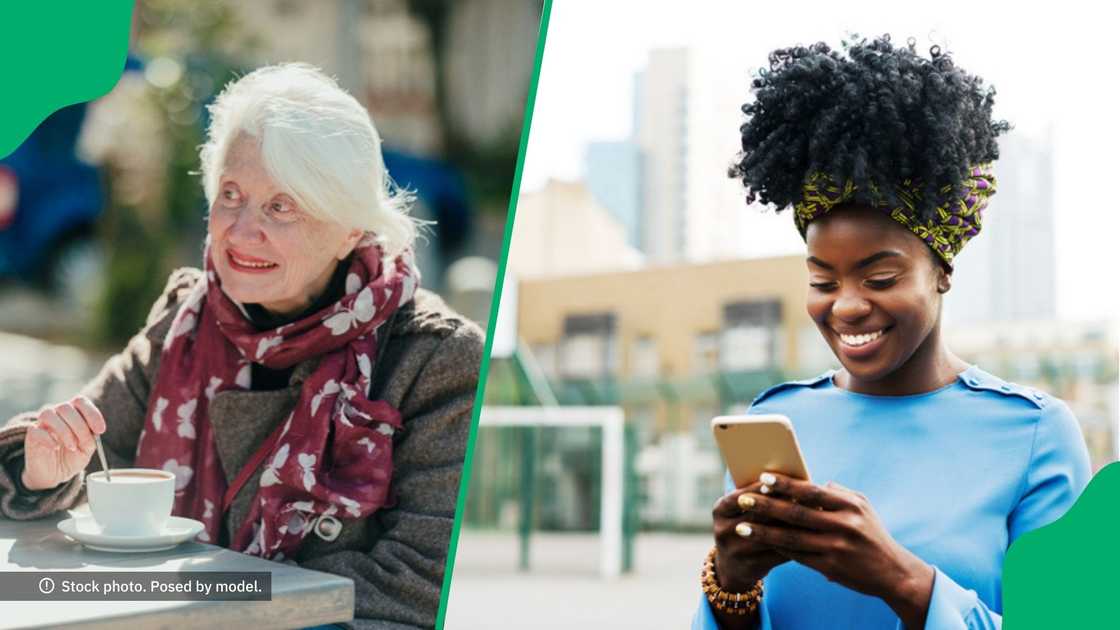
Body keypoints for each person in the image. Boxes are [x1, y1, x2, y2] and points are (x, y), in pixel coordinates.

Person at [0, 63, 483, 630]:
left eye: (282, 205)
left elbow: (422, 582)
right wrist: (42, 467)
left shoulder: (434, 359)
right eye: (231, 194)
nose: (241, 228)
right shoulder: (189, 317)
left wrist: (217, 599)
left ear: (352, 227)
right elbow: (82, 446)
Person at [693, 36, 1091, 629]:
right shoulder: (777, 420)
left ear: (942, 273)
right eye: (822, 281)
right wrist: (729, 584)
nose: (847, 306)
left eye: (879, 276)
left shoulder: (1035, 435)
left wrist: (903, 581)